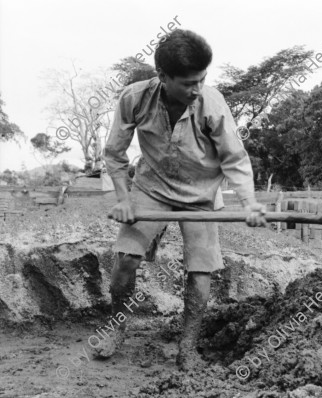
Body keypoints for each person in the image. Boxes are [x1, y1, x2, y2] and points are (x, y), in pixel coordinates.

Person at [99, 29, 267, 371]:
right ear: (162, 77)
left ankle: (187, 347)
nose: (196, 89)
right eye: (189, 82)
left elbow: (235, 159)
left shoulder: (212, 104)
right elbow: (114, 153)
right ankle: (117, 326)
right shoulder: (134, 99)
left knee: (199, 273)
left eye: (202, 80)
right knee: (125, 263)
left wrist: (249, 203)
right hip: (152, 188)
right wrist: (123, 199)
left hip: (201, 194)